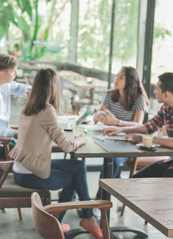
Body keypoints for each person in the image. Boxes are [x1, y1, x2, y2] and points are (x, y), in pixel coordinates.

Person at [9, 68, 103, 239]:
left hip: (23, 166)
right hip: (31, 173)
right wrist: (81, 140)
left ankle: (73, 220)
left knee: (78, 166)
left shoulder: (28, 105)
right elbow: (67, 147)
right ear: (54, 87)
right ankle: (77, 220)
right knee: (74, 178)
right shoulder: (46, 110)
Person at [104, 72, 173, 178]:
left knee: (153, 187)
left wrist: (148, 139)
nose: (154, 92)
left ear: (166, 94)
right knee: (136, 180)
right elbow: (149, 127)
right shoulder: (167, 107)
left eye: (157, 90)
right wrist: (120, 130)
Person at [94, 66, 149, 178]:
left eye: (121, 78)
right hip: (110, 138)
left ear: (129, 81)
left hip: (130, 141)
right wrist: (98, 116)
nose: (116, 80)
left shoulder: (139, 99)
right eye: (117, 76)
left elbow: (138, 124)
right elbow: (97, 114)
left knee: (113, 160)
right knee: (111, 159)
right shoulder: (110, 95)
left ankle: (102, 195)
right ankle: (106, 193)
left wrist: (117, 122)